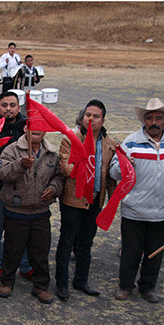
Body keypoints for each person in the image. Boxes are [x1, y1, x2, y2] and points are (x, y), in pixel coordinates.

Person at [110, 98, 164, 303]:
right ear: (144, 120)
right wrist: (126, 165)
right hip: (135, 209)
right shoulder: (131, 142)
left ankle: (147, 287)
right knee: (130, 253)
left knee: (155, 253)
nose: (154, 122)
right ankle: (125, 286)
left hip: (163, 211)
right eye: (150, 118)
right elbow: (114, 171)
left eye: (159, 118)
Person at [54, 100, 117, 302]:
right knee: (66, 241)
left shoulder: (110, 144)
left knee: (86, 244)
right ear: (82, 117)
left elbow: (111, 175)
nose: (91, 119)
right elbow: (64, 166)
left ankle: (81, 280)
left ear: (103, 120)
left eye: (96, 116)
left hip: (95, 199)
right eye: (88, 115)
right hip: (74, 198)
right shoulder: (71, 139)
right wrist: (82, 168)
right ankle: (61, 283)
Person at [0, 128, 64, 303]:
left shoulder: (52, 153)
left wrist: (54, 188)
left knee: (40, 252)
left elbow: (58, 177)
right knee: (12, 250)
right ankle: (7, 282)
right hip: (16, 211)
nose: (37, 131)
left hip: (41, 212)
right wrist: (20, 165)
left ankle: (40, 286)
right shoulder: (11, 150)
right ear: (26, 128)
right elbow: (2, 173)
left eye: (41, 128)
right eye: (33, 127)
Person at [0, 91, 32, 281]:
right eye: (4, 105)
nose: (8, 109)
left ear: (19, 108)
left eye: (12, 105)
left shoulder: (27, 127)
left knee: (21, 230)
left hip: (21, 189)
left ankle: (25, 265)